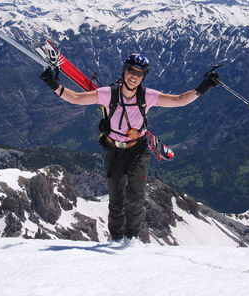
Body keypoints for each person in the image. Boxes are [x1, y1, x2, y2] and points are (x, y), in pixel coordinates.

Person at [39, 53, 219, 244]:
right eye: (131, 70)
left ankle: (131, 240)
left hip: (138, 150)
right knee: (116, 199)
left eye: (139, 73)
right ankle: (116, 240)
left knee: (135, 196)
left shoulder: (146, 96)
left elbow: (179, 100)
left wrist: (203, 87)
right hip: (113, 149)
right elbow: (76, 98)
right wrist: (53, 85)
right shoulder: (109, 93)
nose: (134, 76)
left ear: (143, 77)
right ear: (124, 70)